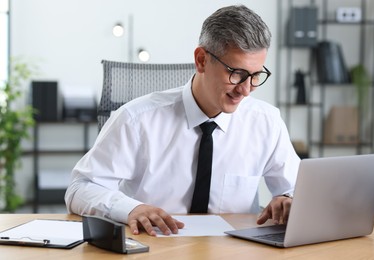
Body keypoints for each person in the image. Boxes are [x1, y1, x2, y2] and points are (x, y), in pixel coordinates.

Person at [65, 4, 300, 236]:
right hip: (156, 246)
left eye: (256, 75)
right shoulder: (136, 120)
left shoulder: (266, 122)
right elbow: (80, 189)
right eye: (236, 74)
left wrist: (288, 199)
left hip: (234, 250)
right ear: (201, 60)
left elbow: (295, 187)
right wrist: (131, 208)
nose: (246, 90)